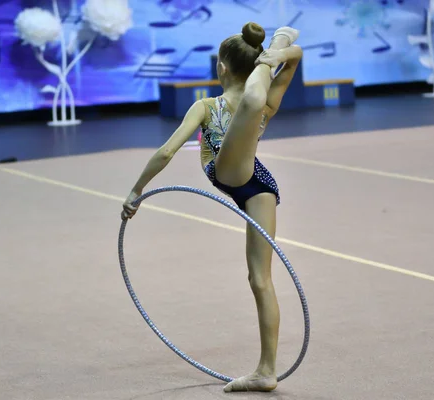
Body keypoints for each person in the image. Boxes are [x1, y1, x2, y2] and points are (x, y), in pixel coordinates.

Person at [122, 22, 302, 393]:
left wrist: (136, 190)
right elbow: (296, 62)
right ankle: (266, 370)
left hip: (234, 172)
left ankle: (266, 370)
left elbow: (167, 151)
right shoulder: (269, 99)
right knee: (259, 280)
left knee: (252, 105)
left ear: (221, 66)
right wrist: (284, 52)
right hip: (260, 187)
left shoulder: (207, 106)